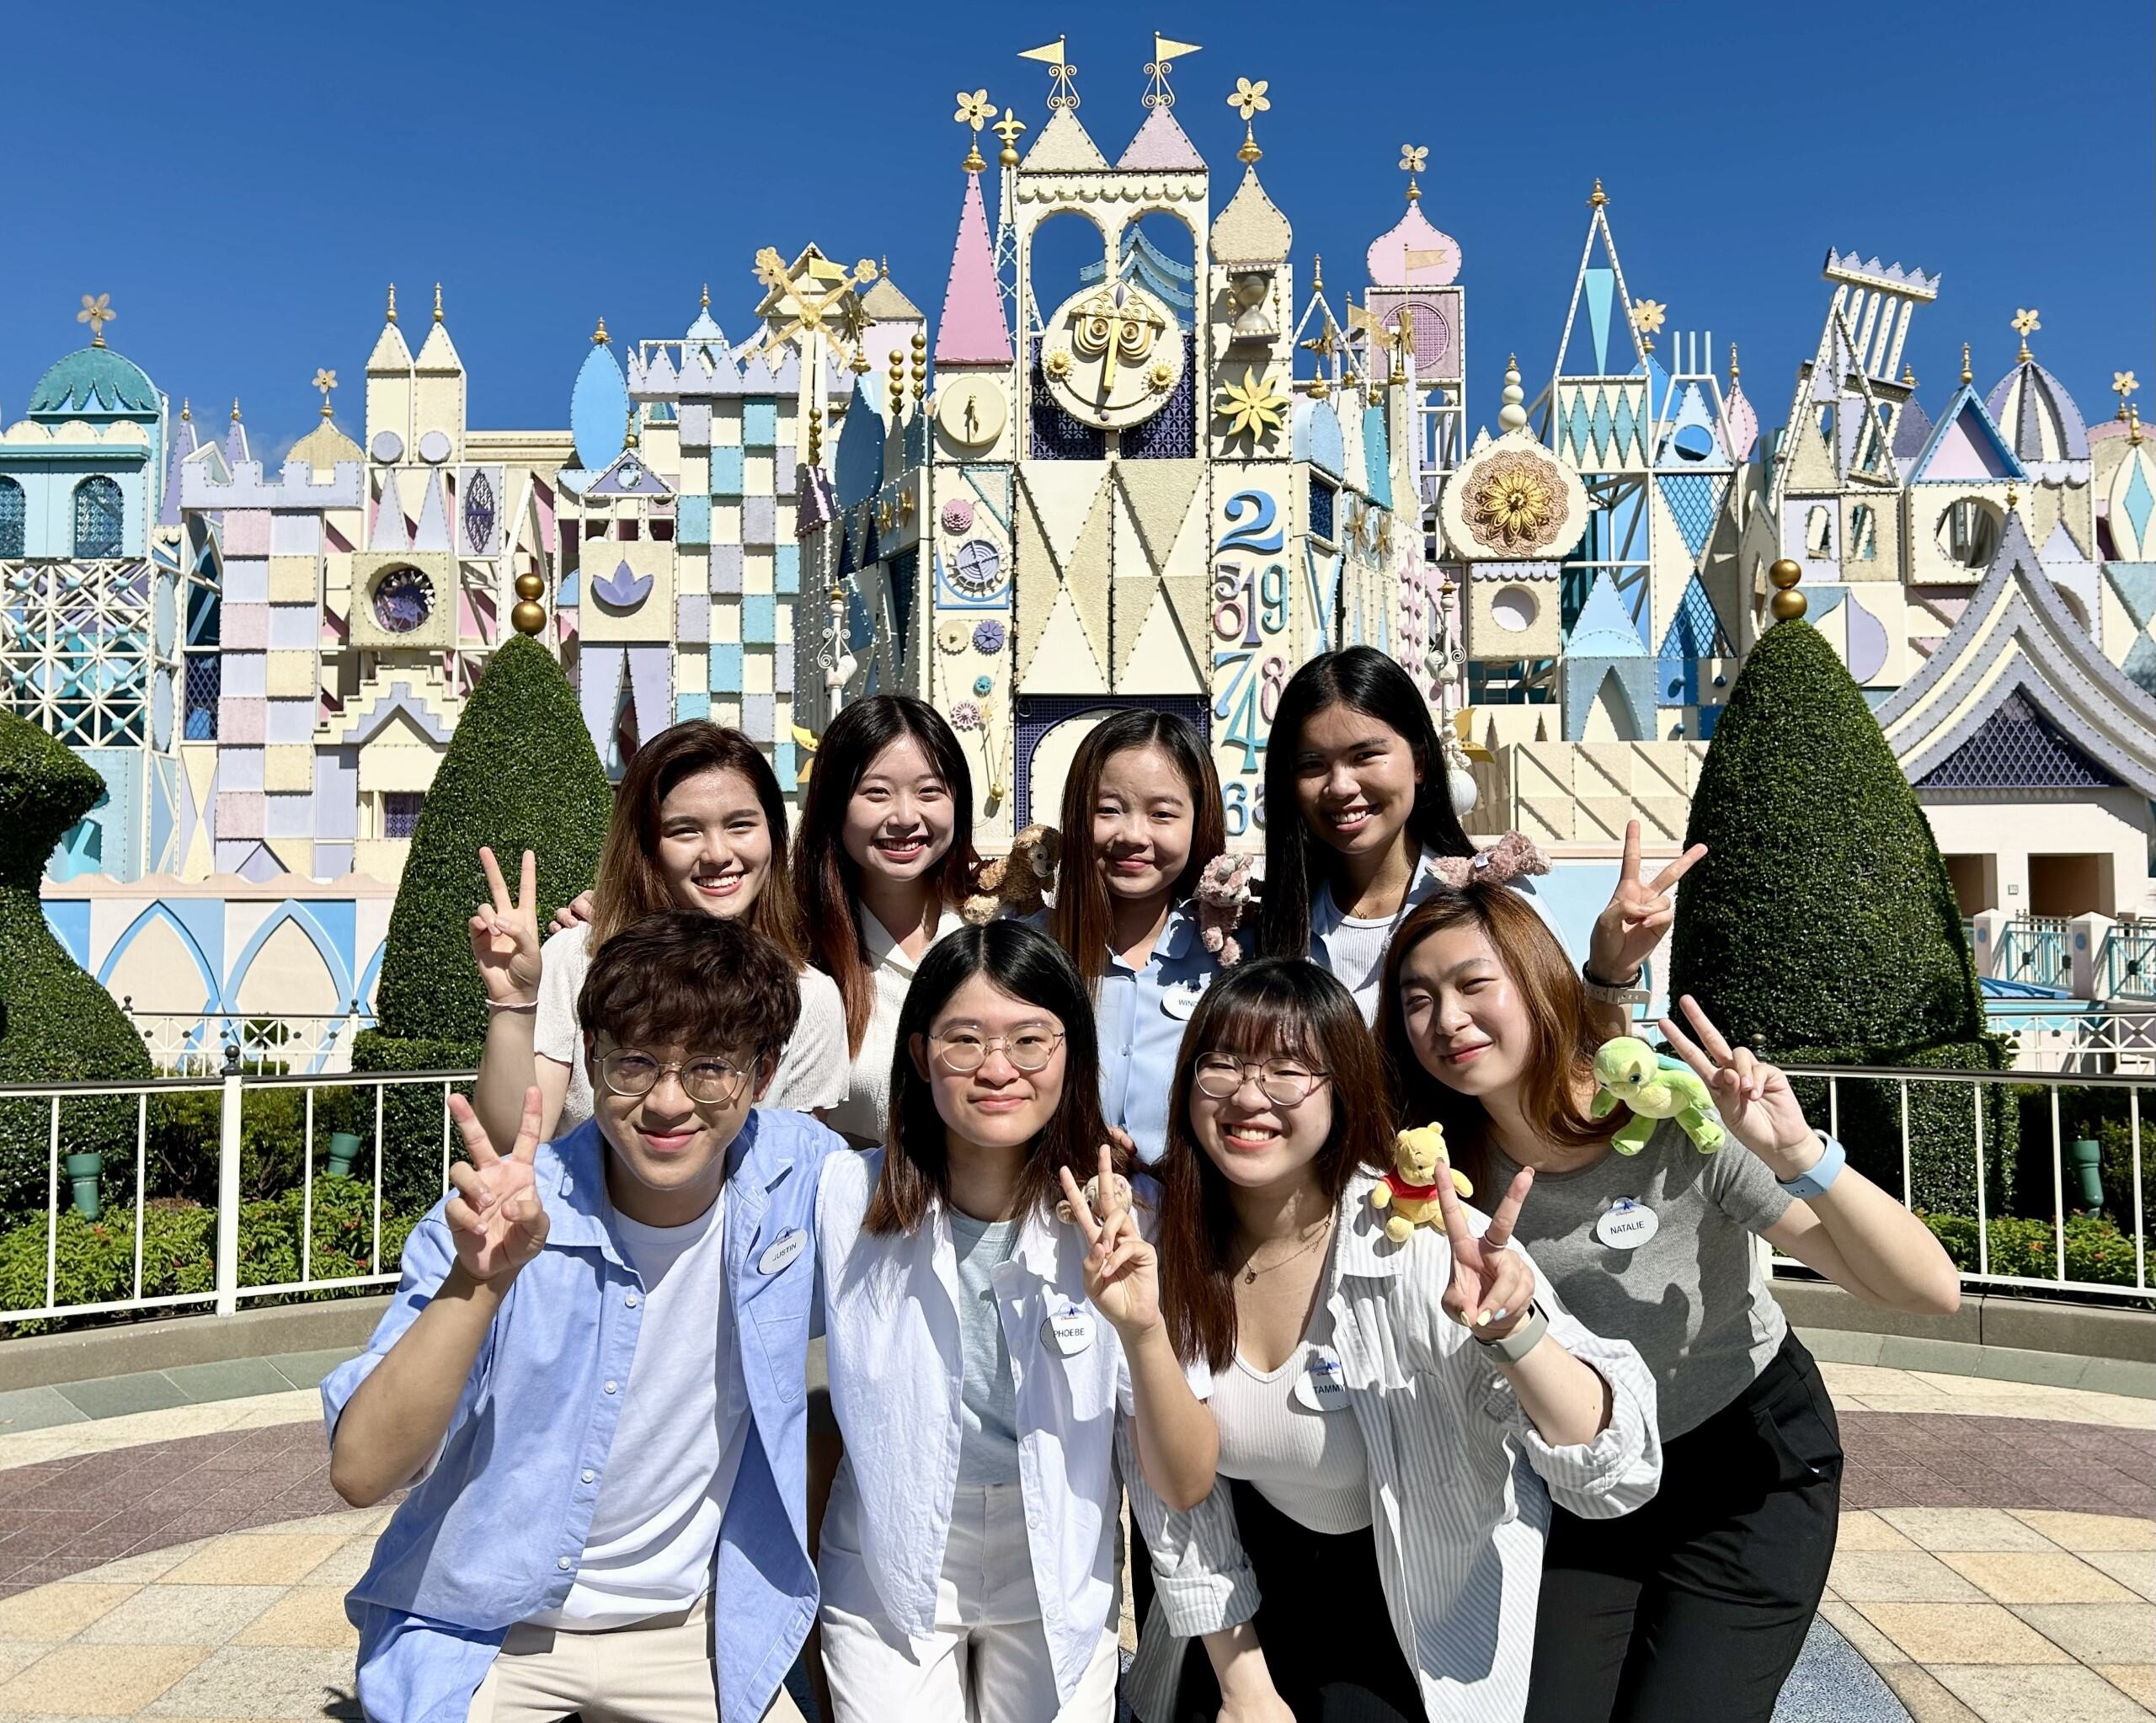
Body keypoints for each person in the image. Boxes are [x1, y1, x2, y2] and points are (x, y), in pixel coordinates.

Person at [1380, 885, 1961, 1723]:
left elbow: (1928, 1290)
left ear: (1538, 984)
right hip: (1582, 1483)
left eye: (1474, 985)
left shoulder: (1668, 1125)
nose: (1447, 1019)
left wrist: (1800, 1153)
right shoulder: (1438, 1178)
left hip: (1741, 1470)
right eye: (1418, 1001)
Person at [322, 913, 841, 1723]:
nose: (669, 1103)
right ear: (591, 1060)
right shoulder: (501, 1215)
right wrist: (481, 1282)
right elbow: (360, 1471)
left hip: (692, 1632)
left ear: (764, 1074)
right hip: (492, 1633)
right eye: (634, 1063)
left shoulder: (800, 1181)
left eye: (709, 1069)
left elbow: (943, 1189)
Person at [1126, 958, 1662, 1723]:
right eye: (1223, 1065)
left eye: (1289, 1070)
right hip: (1240, 1599)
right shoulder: (1166, 1247)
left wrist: (1516, 1335)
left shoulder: (1422, 1246)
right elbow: (1172, 1493)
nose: (1250, 1096)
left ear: (1344, 1090)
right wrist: (1247, 1689)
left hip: (1419, 1605)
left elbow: (1617, 1472)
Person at [813, 920, 1220, 1722]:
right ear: (921, 1053)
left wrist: (1140, 1332)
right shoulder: (840, 1199)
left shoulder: (1132, 1220)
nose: (998, 1069)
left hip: (1056, 1556)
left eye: (1031, 1039)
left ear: (1071, 1055)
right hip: (889, 1557)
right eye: (964, 1040)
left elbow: (1184, 1480)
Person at [1259, 648, 1694, 1032]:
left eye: (1365, 756)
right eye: (1312, 765)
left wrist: (1611, 974)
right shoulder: (1258, 926)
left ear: (1420, 763)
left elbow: (1578, 1060)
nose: (1339, 786)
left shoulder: (1494, 901)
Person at [468, 720, 847, 1153]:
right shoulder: (578, 956)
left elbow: (789, 1166)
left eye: (741, 825)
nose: (719, 855)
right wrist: (513, 1006)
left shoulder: (810, 997)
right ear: (647, 847)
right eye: (685, 830)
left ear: (775, 835)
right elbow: (514, 1144)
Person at [795, 695, 980, 1146]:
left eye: (930, 791)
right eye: (876, 792)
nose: (904, 817)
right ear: (834, 805)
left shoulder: (998, 925)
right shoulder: (794, 945)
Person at [1047, 709, 1226, 1165]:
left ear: (1198, 820)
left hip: (1192, 1221)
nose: (1133, 835)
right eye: (1108, 810)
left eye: (1162, 814)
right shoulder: (1033, 955)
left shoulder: (1232, 958)